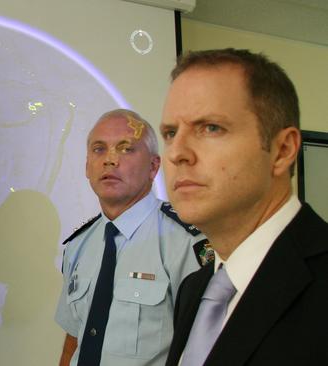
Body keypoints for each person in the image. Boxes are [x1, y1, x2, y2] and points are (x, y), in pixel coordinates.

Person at [160, 48, 328, 365]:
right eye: (170, 133)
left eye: (210, 128)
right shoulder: (194, 289)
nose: (176, 153)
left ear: (282, 150)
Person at [55, 109, 208, 366]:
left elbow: (205, 348)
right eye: (99, 149)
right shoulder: (78, 245)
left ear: (153, 166)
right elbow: (74, 337)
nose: (110, 160)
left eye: (126, 149)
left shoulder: (184, 243)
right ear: (86, 167)